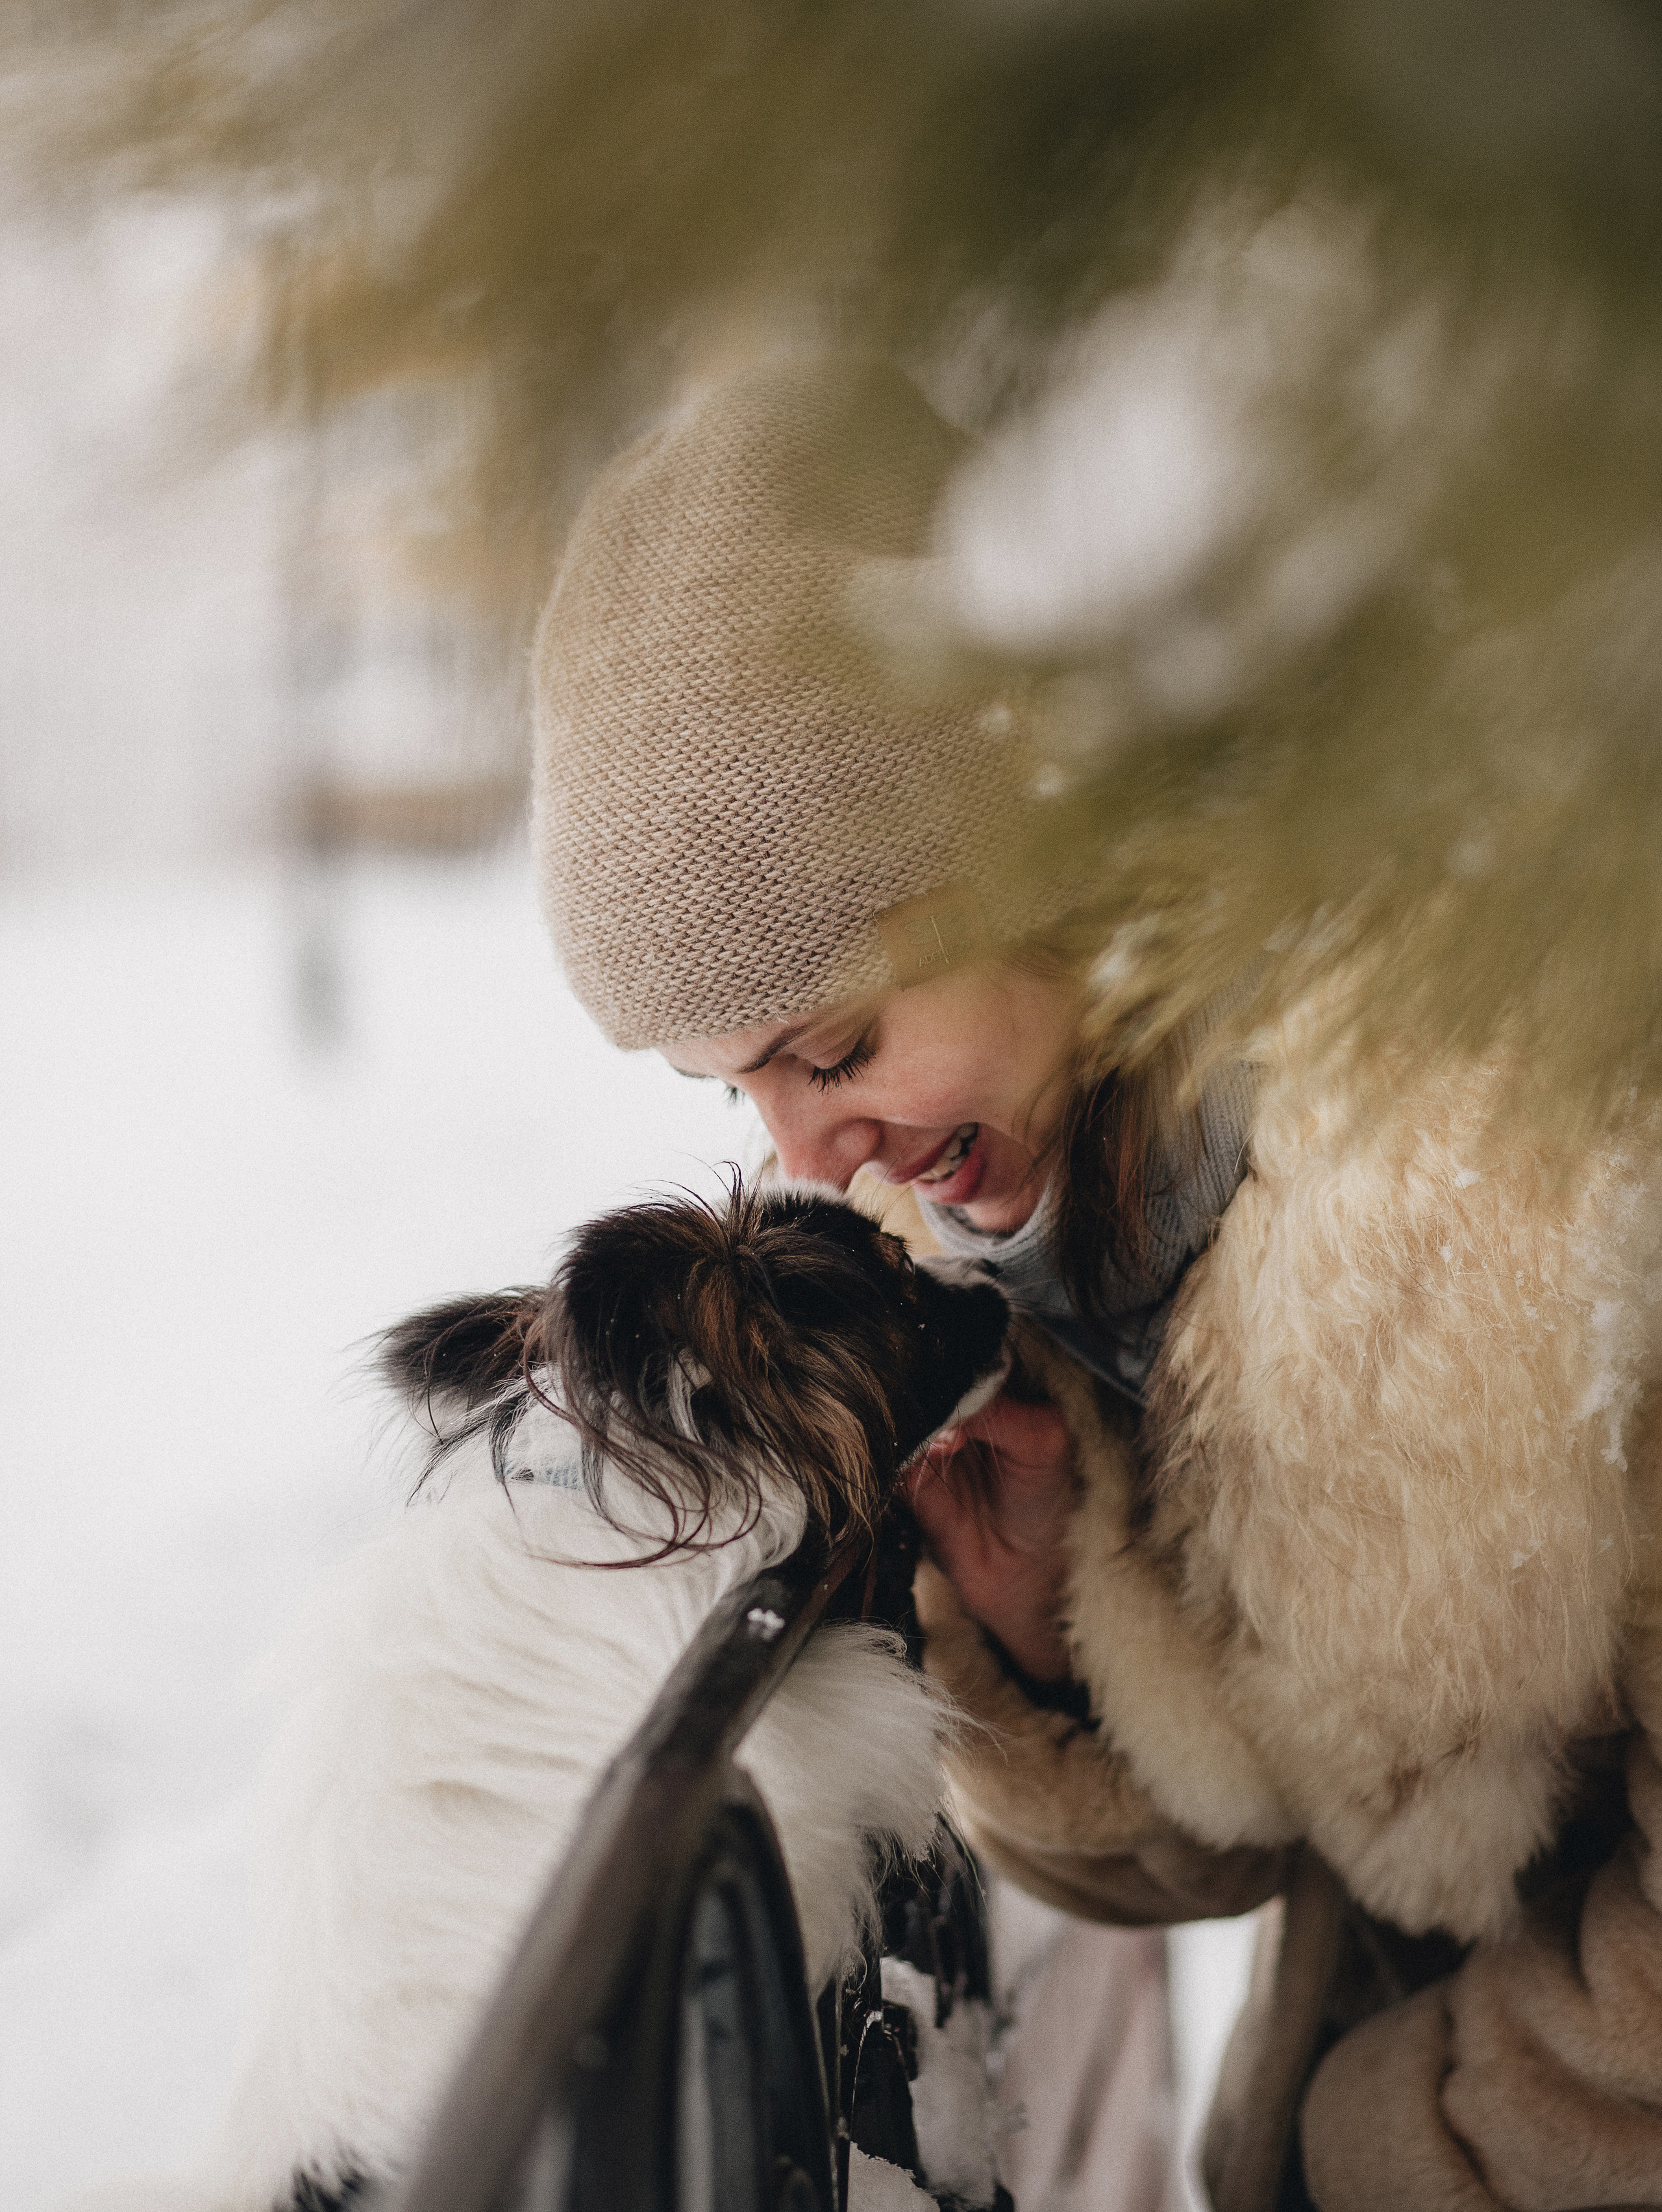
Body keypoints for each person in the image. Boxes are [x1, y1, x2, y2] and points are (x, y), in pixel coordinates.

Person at [532, 357, 1662, 2212]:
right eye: (729, 1089)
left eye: (833, 1046)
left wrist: (1379, 2154)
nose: (808, 1160)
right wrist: (1057, 1628)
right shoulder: (1058, 1246)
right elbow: (1266, 1843)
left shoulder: (1561, 1148)